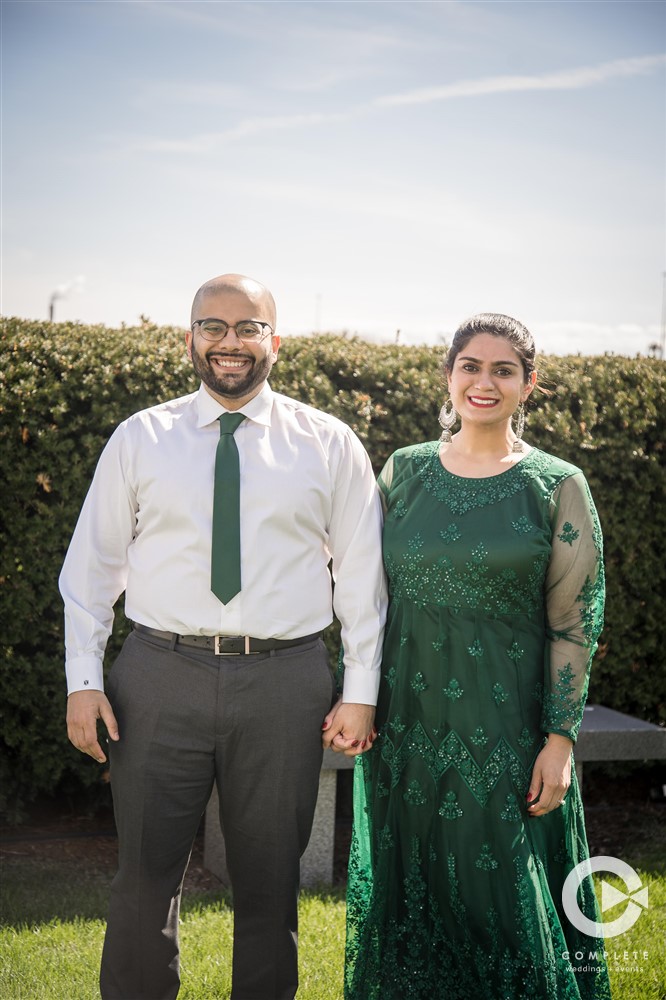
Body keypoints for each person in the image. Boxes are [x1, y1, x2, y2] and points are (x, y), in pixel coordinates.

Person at [60, 273, 387, 1000]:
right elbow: (91, 570)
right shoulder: (140, 438)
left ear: (276, 340)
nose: (229, 342)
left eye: (248, 327)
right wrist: (84, 681)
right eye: (213, 326)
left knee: (271, 886)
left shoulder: (329, 444)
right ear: (190, 339)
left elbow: (363, 582)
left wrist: (359, 692)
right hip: (157, 675)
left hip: (284, 680)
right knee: (142, 880)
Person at [342, 313, 612, 999]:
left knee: (502, 898)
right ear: (449, 374)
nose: (484, 382)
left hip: (506, 730)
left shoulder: (557, 485)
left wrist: (560, 739)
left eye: (503, 370)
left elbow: (574, 624)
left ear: (529, 384)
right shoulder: (403, 470)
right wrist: (360, 695)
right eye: (471, 366)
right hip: (406, 728)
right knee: (415, 895)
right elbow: (361, 589)